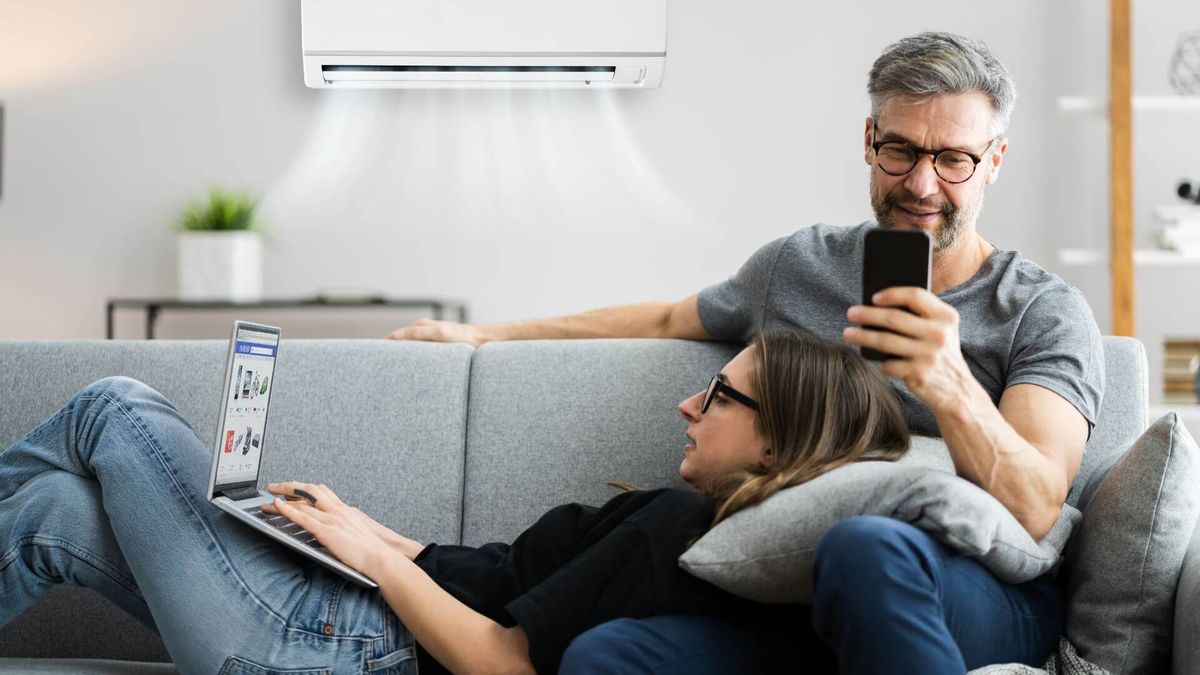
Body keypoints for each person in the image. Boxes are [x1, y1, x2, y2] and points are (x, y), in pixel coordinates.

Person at [388, 32, 1105, 672]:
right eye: (901, 151)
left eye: (953, 159)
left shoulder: (1040, 311)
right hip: (792, 594)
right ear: (868, 140)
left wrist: (950, 386)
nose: (922, 184)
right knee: (605, 653)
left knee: (864, 549)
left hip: (967, 593)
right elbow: (670, 316)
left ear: (994, 161)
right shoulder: (800, 267)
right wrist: (484, 335)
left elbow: (1038, 505)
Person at [0, 329, 906, 674]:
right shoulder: (681, 519)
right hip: (346, 619)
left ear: (781, 438)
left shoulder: (684, 531)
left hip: (336, 650)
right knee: (56, 514)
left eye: (719, 394)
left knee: (119, 401)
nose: (688, 402)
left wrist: (377, 562)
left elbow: (501, 662)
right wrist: (361, 529)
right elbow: (493, 576)